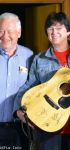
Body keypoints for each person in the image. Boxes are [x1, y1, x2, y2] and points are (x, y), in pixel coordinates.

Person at [13, 12, 70, 150]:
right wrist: (18, 110)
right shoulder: (40, 59)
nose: (54, 32)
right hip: (48, 125)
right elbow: (29, 86)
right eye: (50, 29)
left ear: (68, 31)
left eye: (59, 28)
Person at [0, 12, 33, 149]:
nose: (5, 36)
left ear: (19, 33)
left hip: (19, 128)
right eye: (1, 31)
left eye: (10, 31)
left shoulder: (29, 56)